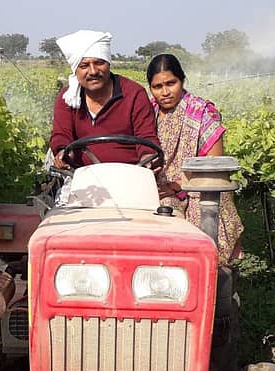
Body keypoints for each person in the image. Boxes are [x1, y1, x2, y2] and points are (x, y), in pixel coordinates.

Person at [147, 53, 243, 266]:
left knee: (205, 237)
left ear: (182, 80)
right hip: (161, 190)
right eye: (157, 86)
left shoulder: (201, 112)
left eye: (171, 83)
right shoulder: (147, 113)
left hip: (200, 187)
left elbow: (213, 166)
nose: (165, 92)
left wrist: (178, 185)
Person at [50, 30, 160, 169]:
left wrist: (147, 158)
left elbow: (146, 136)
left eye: (99, 63)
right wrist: (63, 152)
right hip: (83, 176)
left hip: (130, 173)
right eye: (84, 66)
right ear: (75, 70)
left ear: (108, 63)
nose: (93, 71)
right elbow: (61, 134)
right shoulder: (67, 98)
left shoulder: (134, 93)